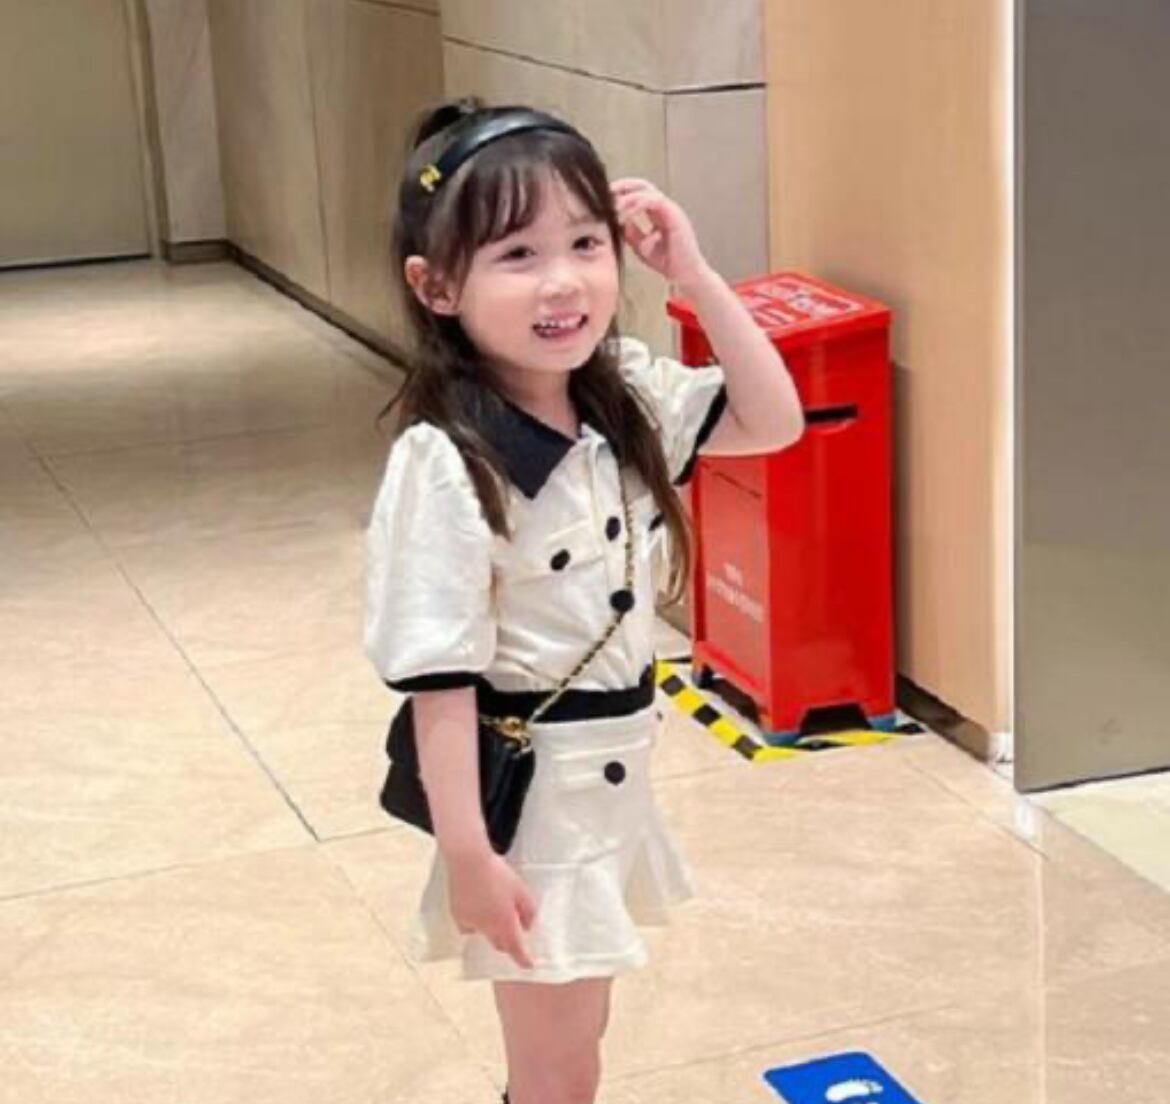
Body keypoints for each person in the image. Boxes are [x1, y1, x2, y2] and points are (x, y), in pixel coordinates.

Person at [364, 97, 803, 1104]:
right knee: (556, 1066)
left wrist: (693, 274)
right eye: (517, 254)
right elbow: (439, 683)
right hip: (536, 807)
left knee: (578, 1041)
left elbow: (773, 420)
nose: (562, 281)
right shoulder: (450, 462)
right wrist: (469, 857)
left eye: (585, 243)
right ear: (436, 286)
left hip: (613, 781)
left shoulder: (622, 398)